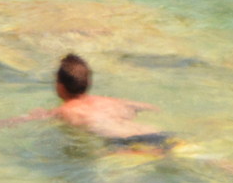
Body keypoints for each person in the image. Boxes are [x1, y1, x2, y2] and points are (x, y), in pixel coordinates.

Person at [25, 54, 169, 147]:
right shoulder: (108, 101)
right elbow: (150, 107)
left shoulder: (64, 110)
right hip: (157, 134)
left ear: (60, 86)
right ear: (89, 82)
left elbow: (27, 120)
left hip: (123, 143)